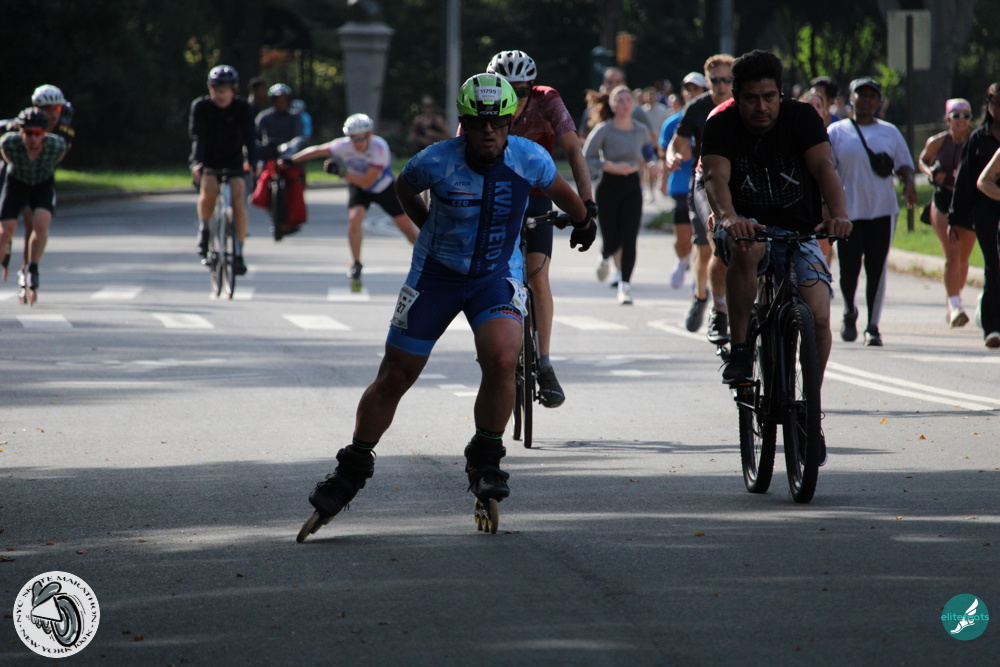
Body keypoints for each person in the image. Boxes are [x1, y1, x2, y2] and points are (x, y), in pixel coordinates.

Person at [301, 74, 595, 525]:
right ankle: (352, 466)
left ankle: (486, 458)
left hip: (495, 275)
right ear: (463, 123)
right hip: (435, 276)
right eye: (478, 123)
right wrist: (427, 229)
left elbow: (563, 192)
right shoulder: (435, 160)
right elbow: (402, 189)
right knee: (396, 373)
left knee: (502, 359)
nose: (488, 131)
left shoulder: (530, 157)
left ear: (510, 121)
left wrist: (585, 221)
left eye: (497, 122)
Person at [701, 49, 853, 415]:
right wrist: (728, 217)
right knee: (748, 248)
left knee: (819, 318)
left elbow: (825, 168)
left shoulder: (802, 118)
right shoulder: (721, 124)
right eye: (751, 99)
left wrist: (839, 214)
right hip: (745, 227)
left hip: (799, 231)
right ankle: (741, 350)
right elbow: (715, 177)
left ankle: (809, 408)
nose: (762, 107)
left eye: (769, 97)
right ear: (736, 96)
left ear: (780, 93)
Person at [482, 49, 597, 408]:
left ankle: (544, 363)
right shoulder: (482, 99)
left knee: (538, 276)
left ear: (532, 87)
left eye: (522, 91)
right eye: (507, 90)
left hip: (536, 194)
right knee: (487, 275)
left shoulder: (547, 100)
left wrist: (587, 204)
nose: (515, 99)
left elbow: (573, 150)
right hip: (495, 193)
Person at [827, 77, 917, 347]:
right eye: (861, 94)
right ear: (851, 98)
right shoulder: (837, 132)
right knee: (849, 270)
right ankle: (849, 311)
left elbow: (904, 164)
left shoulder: (890, 132)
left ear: (879, 101)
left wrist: (909, 183)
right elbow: (826, 170)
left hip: (882, 211)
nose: (866, 100)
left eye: (872, 96)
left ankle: (873, 326)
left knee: (877, 269)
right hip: (847, 212)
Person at [287, 113, 419, 291]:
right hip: (358, 186)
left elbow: (367, 181)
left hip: (382, 187)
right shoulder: (344, 145)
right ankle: (356, 263)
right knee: (355, 219)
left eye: (361, 138)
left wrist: (340, 173)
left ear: (370, 135)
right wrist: (291, 160)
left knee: (406, 228)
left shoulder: (379, 148)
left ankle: (428, 258)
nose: (357, 143)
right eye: (353, 138)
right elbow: (318, 150)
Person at [666, 54, 735, 341]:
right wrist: (672, 156)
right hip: (704, 181)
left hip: (738, 179)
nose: (721, 85)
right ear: (708, 81)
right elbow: (677, 143)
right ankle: (703, 297)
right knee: (710, 243)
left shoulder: (746, 104)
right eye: (716, 80)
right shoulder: (697, 107)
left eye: (727, 80)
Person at [583, 85, 658, 305]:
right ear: (613, 105)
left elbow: (649, 153)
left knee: (629, 237)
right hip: (608, 187)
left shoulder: (640, 130)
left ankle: (625, 285)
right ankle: (605, 254)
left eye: (628, 100)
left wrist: (652, 164)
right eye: (620, 101)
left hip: (632, 187)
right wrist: (609, 166)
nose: (625, 104)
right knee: (611, 238)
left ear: (633, 105)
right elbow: (586, 157)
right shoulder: (604, 130)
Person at [0, 84, 76, 285]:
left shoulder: (64, 131)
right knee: (12, 222)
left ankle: (28, 266)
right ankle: (6, 244)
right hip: (16, 172)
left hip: (41, 175)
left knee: (36, 222)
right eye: (47, 109)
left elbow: (58, 157)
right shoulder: (21, 126)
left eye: (57, 109)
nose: (53, 114)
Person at [189, 65, 257, 275]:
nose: (221, 95)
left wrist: (253, 163)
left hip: (233, 158)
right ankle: (205, 229)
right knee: (209, 190)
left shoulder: (243, 107)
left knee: (238, 198)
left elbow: (250, 138)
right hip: (208, 158)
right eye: (217, 90)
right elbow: (198, 138)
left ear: (233, 91)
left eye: (225, 91)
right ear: (210, 90)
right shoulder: (201, 106)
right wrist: (197, 163)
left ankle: (238, 252)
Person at [919, 98, 975, 327]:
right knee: (952, 255)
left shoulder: (977, 140)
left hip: (968, 202)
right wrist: (932, 173)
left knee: (963, 258)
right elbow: (923, 160)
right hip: (944, 199)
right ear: (948, 118)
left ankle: (954, 299)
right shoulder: (937, 142)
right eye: (956, 115)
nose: (961, 120)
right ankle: (955, 306)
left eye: (966, 116)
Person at [954, 82, 1000, 348]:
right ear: (988, 105)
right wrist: (956, 217)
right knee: (994, 264)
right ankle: (992, 326)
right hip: (986, 212)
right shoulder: (978, 139)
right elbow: (967, 179)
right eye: (996, 104)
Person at [659, 72, 708, 289]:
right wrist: (663, 179)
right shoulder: (672, 123)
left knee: (702, 237)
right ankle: (683, 260)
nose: (691, 93)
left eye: (696, 89)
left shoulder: (712, 117)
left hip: (703, 185)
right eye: (688, 89)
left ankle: (700, 279)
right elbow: (665, 153)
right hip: (680, 184)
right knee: (682, 237)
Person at [255, 83, 307, 162]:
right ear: (273, 101)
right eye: (278, 100)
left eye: (284, 100)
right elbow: (255, 134)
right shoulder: (264, 116)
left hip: (290, 155)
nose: (281, 103)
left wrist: (290, 146)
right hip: (268, 155)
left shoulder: (295, 116)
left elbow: (299, 136)